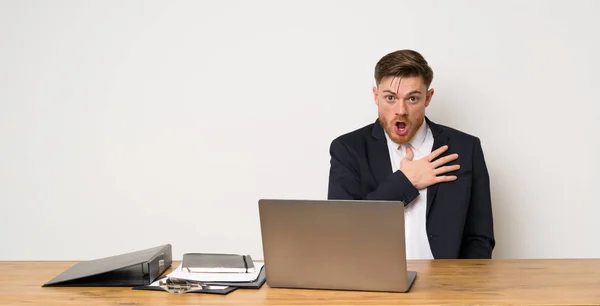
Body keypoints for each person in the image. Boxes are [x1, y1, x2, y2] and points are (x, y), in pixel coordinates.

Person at [327, 49, 494, 259]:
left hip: (447, 286)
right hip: (374, 284)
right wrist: (405, 182)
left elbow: (479, 238)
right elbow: (342, 230)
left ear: (428, 97)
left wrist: (460, 286)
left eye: (412, 99)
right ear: (376, 96)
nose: (401, 110)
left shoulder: (466, 148)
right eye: (390, 98)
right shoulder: (348, 149)